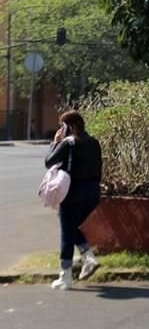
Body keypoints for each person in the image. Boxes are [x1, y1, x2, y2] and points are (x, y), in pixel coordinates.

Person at [45, 111, 102, 291]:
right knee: (71, 228)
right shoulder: (94, 143)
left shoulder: (68, 144)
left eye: (62, 126)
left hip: (72, 193)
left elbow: (49, 162)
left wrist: (56, 142)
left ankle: (66, 276)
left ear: (68, 127)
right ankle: (86, 256)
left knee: (67, 231)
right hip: (92, 194)